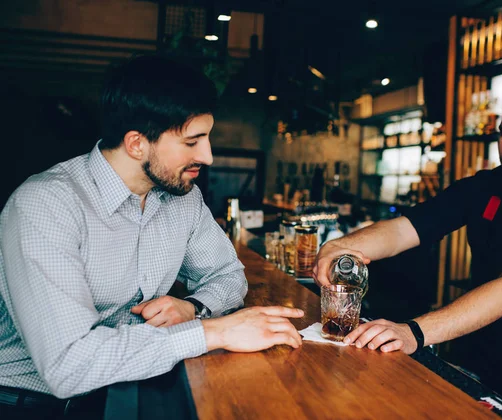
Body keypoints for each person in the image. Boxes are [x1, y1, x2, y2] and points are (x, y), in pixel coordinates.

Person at [0, 54, 303, 418]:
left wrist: (194, 308)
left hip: (128, 389)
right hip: (33, 405)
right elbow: (70, 365)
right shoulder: (45, 205)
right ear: (136, 144)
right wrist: (213, 332)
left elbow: (226, 274)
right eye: (193, 142)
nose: (207, 156)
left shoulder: (182, 199)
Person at [314, 79, 502, 420]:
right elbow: (407, 228)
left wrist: (413, 332)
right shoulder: (485, 186)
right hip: (477, 352)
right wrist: (342, 245)